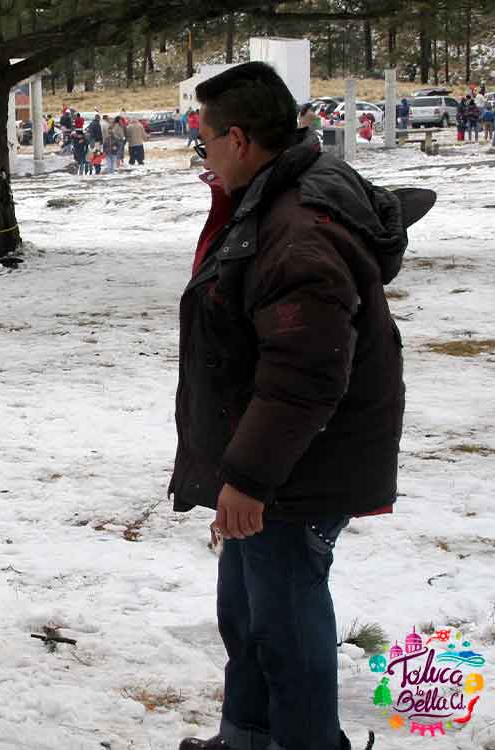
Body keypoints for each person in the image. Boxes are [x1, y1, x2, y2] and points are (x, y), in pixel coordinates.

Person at [177, 62, 410, 750]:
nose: (205, 156)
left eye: (207, 142)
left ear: (241, 141)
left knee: (284, 627)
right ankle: (246, 737)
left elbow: (304, 374)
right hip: (266, 456)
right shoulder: (265, 204)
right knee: (246, 616)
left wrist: (250, 478)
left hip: (296, 468)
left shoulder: (297, 229)